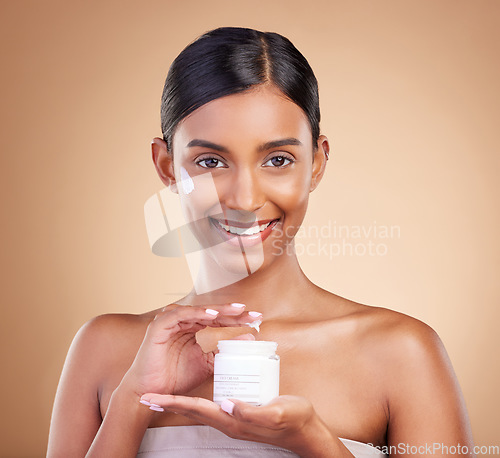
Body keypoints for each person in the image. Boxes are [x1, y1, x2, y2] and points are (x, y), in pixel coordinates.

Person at [47, 27, 475, 457]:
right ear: (167, 167)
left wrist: (317, 442)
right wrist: (133, 401)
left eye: (277, 160)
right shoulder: (103, 350)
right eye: (211, 161)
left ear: (317, 163)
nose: (245, 199)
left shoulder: (402, 353)